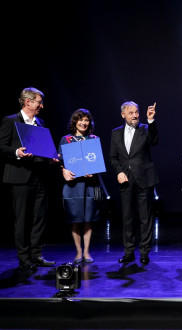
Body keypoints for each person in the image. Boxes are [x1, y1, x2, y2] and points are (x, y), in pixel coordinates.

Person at [0, 87, 57, 271]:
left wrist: (51, 156)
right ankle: (23, 257)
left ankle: (36, 254)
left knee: (39, 218)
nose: (42, 105)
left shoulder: (40, 122)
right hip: (20, 177)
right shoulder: (10, 121)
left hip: (40, 177)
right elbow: (2, 147)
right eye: (39, 102)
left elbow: (42, 148)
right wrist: (16, 152)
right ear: (28, 102)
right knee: (22, 219)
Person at [110, 101, 159, 264]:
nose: (135, 115)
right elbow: (113, 157)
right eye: (131, 113)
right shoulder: (116, 133)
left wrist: (151, 121)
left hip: (144, 178)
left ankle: (145, 252)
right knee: (128, 217)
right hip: (126, 180)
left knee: (145, 218)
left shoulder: (145, 129)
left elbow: (154, 141)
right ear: (123, 115)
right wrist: (119, 172)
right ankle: (129, 252)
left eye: (136, 112)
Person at [58, 109, 101, 264]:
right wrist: (64, 169)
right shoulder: (66, 139)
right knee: (75, 219)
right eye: (80, 120)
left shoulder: (93, 139)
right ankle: (78, 252)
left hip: (89, 184)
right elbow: (61, 162)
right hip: (73, 184)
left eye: (86, 120)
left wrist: (93, 170)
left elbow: (96, 161)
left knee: (88, 219)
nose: (83, 123)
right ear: (75, 122)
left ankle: (87, 252)